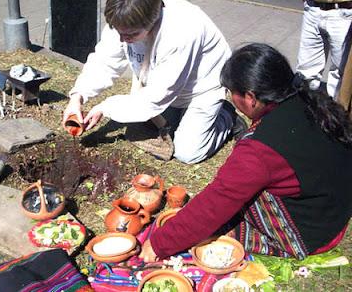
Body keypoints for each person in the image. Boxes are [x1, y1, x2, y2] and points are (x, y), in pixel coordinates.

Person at [140, 43, 352, 262]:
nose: (231, 98)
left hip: (312, 233)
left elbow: (216, 201)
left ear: (251, 97)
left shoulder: (260, 148)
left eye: (231, 92)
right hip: (335, 211)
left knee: (226, 213)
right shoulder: (306, 100)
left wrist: (159, 244)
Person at [62, 0, 245, 164]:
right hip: (164, 83)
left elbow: (157, 96)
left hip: (201, 88)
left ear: (152, 21)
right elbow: (104, 61)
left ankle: (226, 117)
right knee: (145, 128)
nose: (121, 40)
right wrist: (77, 96)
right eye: (119, 32)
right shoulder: (123, 18)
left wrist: (104, 107)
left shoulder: (181, 32)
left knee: (187, 152)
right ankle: (181, 115)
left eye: (130, 35)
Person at [296, 0, 352, 98]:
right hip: (313, 9)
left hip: (343, 12)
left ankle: (335, 112)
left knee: (340, 72)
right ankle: (305, 108)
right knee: (306, 70)